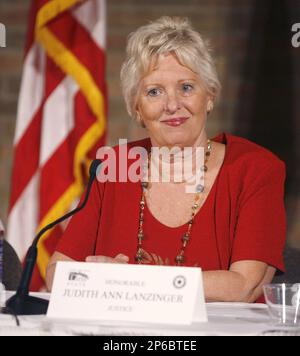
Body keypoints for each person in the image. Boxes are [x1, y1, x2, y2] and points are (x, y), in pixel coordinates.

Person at [46, 17, 286, 303]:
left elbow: (244, 286)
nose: (172, 105)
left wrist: (131, 279)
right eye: (154, 92)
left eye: (186, 87)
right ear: (137, 108)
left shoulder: (254, 168)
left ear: (209, 96)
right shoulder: (117, 166)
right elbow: (58, 273)